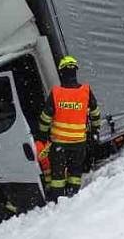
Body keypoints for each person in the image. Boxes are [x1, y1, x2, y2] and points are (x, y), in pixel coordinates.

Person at [37, 55, 102, 198]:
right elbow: (95, 113)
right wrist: (95, 130)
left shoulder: (56, 93)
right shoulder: (85, 91)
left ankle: (58, 200)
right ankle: (73, 197)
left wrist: (41, 134)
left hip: (59, 144)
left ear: (61, 72)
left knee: (58, 176)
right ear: (75, 72)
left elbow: (45, 117)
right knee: (75, 173)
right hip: (79, 143)